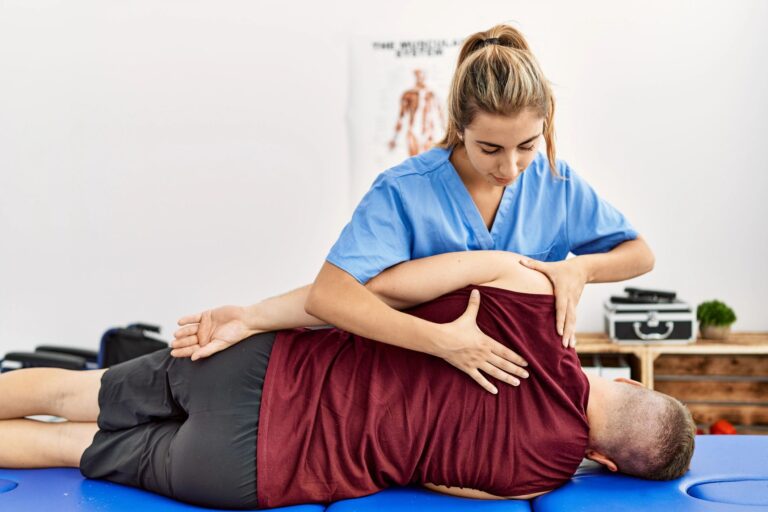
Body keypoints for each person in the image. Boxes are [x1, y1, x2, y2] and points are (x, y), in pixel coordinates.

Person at [171, 24, 655, 396]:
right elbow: (336, 296)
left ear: (545, 125)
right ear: (459, 126)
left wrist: (581, 269)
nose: (510, 166)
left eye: (526, 145)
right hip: (415, 390)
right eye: (489, 149)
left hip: (519, 393)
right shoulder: (406, 190)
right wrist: (444, 340)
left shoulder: (556, 182)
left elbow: (639, 254)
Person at [0, 251, 694, 509]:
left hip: (260, 368)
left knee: (73, 392)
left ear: (630, 386)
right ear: (603, 459)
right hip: (253, 472)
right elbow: (432, 482)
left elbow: (373, 290)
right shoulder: (536, 480)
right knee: (73, 447)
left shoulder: (526, 292)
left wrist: (257, 316)